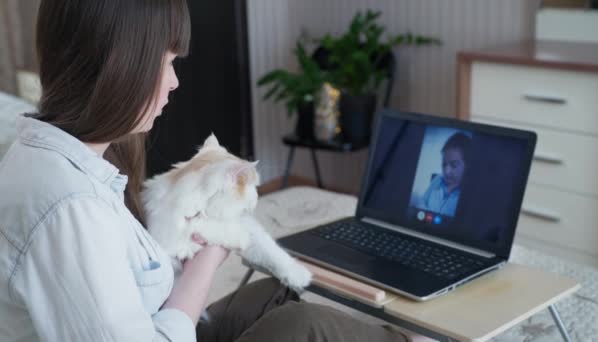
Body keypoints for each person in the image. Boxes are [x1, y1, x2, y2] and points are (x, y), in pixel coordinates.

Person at [0, 1, 425, 341]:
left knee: (274, 295)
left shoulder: (62, 160)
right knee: (300, 327)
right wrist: (210, 257)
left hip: (155, 320)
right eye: (166, 62)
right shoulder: (70, 207)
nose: (174, 82)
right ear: (118, 63)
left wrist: (200, 252)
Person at [421, 132, 471, 217]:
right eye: (444, 165)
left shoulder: (470, 194)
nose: (447, 171)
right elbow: (423, 203)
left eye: (454, 165)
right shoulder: (437, 179)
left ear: (467, 165)